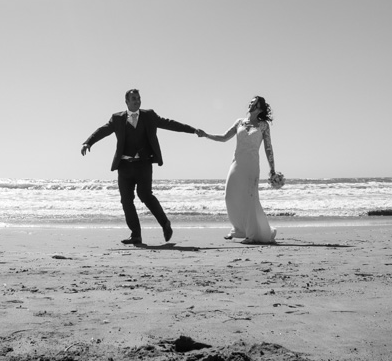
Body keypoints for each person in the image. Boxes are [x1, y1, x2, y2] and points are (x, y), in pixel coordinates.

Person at [81, 88, 202, 245]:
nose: (137, 101)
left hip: (143, 164)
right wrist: (88, 142)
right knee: (126, 201)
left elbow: (169, 124)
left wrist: (192, 130)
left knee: (145, 195)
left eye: (138, 98)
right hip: (124, 166)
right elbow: (103, 130)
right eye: (133, 99)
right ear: (127, 102)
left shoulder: (149, 115)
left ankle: (165, 223)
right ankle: (136, 235)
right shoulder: (117, 118)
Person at [200, 95, 278, 243]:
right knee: (230, 196)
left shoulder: (263, 125)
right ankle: (239, 229)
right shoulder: (239, 122)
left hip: (252, 165)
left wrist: (272, 169)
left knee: (249, 197)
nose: (251, 105)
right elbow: (223, 137)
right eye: (251, 102)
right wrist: (206, 135)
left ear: (260, 108)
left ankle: (252, 235)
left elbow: (268, 148)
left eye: (255, 104)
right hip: (237, 164)